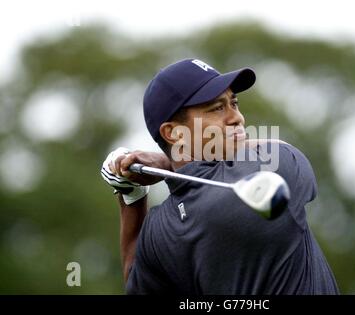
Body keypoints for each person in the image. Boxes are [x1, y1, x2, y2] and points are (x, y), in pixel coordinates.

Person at [101, 58, 339, 294]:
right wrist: (168, 165)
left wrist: (131, 195)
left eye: (233, 103)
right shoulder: (273, 168)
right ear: (173, 132)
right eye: (217, 108)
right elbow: (278, 147)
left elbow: (134, 273)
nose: (237, 118)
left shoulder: (160, 227)